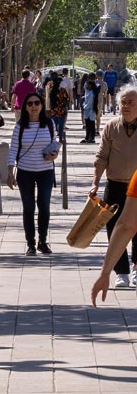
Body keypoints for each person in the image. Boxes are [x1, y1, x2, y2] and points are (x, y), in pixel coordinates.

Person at [89, 85, 137, 289]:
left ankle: (136, 268)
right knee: (114, 229)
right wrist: (95, 182)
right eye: (123, 102)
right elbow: (101, 157)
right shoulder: (110, 126)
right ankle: (122, 272)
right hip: (115, 185)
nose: (125, 106)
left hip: (136, 188)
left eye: (130, 103)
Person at [6, 90, 60, 255]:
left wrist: (54, 154)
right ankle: (31, 243)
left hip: (45, 172)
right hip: (25, 172)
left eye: (37, 103)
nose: (34, 106)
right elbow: (13, 150)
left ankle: (43, 241)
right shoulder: (20, 127)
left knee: (44, 205)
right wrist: (10, 172)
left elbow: (55, 143)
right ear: (25, 108)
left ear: (42, 105)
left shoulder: (49, 124)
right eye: (30, 104)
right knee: (28, 208)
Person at [45, 71, 69, 143]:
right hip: (61, 110)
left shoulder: (51, 90)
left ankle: (52, 138)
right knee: (61, 126)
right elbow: (66, 99)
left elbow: (49, 98)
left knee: (53, 125)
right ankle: (61, 138)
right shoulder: (62, 90)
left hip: (54, 110)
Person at [81, 72, 100, 143]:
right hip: (86, 106)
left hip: (93, 107)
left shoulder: (97, 86)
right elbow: (85, 92)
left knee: (92, 123)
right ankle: (87, 137)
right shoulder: (86, 85)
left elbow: (96, 92)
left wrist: (93, 85)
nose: (91, 80)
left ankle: (92, 138)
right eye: (90, 78)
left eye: (93, 79)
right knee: (87, 123)